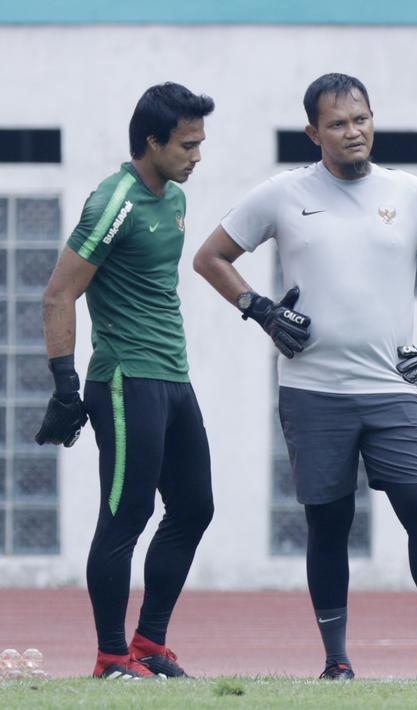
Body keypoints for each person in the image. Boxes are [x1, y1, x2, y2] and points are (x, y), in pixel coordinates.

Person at [193, 73, 417, 681]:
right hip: (313, 393)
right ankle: (336, 663)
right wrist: (262, 310)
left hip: (394, 390)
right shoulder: (283, 194)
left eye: (360, 119)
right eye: (336, 123)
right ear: (313, 132)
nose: (352, 132)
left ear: (373, 120)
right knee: (328, 523)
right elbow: (210, 258)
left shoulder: (411, 194)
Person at [37, 83, 216, 679]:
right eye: (187, 146)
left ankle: (148, 645)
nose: (197, 156)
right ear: (152, 142)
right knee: (126, 515)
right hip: (124, 381)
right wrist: (65, 386)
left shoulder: (173, 198)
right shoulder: (114, 201)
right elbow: (59, 293)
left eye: (200, 144)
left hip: (173, 375)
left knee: (193, 508)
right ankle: (110, 656)